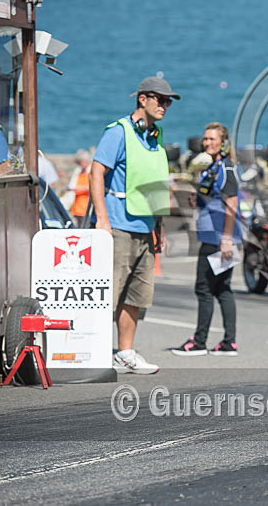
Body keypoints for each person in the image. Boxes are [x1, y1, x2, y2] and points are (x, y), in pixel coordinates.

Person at [90, 76, 180, 374]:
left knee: (136, 296)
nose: (165, 105)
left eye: (168, 101)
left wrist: (160, 226)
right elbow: (96, 172)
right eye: (161, 99)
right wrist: (102, 219)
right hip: (118, 225)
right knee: (109, 293)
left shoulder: (154, 136)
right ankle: (94, 351)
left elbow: (154, 184)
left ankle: (125, 353)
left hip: (145, 228)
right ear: (143, 99)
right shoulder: (119, 132)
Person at [173, 123, 242, 357]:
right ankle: (228, 343)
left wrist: (226, 239)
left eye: (212, 139)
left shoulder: (227, 168)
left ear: (223, 143)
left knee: (203, 288)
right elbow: (210, 198)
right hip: (213, 233)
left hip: (218, 235)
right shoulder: (212, 167)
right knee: (222, 289)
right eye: (205, 139)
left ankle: (199, 341)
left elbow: (231, 204)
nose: (207, 143)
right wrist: (197, 201)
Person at [68, 149, 92, 227]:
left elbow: (91, 187)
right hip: (78, 205)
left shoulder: (90, 172)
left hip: (86, 205)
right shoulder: (78, 171)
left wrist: (81, 188)